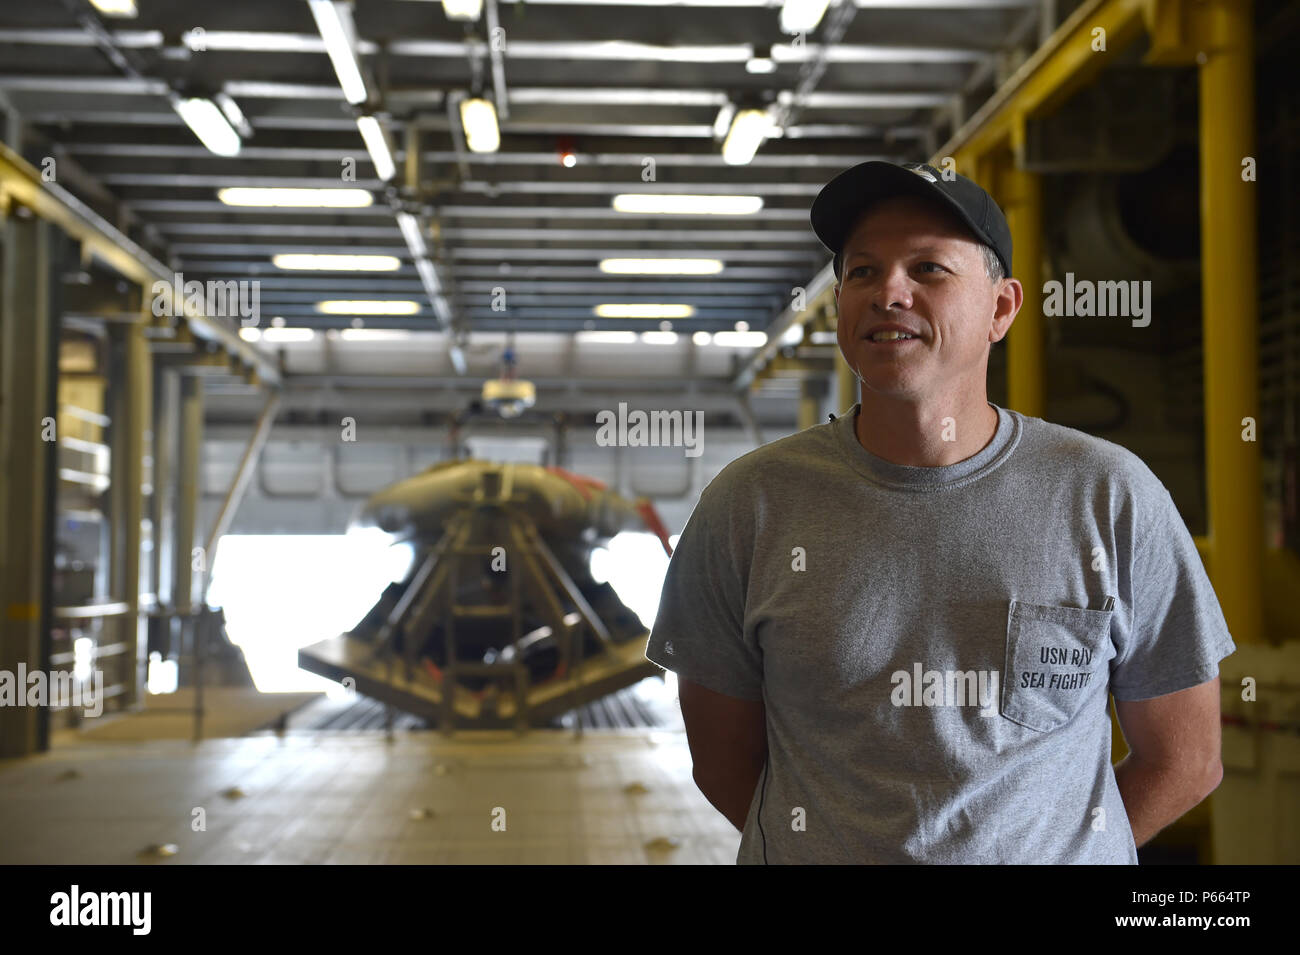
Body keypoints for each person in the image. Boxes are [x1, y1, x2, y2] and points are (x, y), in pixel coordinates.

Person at [644, 160, 1236, 864]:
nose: (888, 291)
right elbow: (721, 760)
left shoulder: (1109, 498)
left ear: (1002, 308)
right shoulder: (747, 506)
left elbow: (1187, 758)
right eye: (861, 272)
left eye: (927, 268)